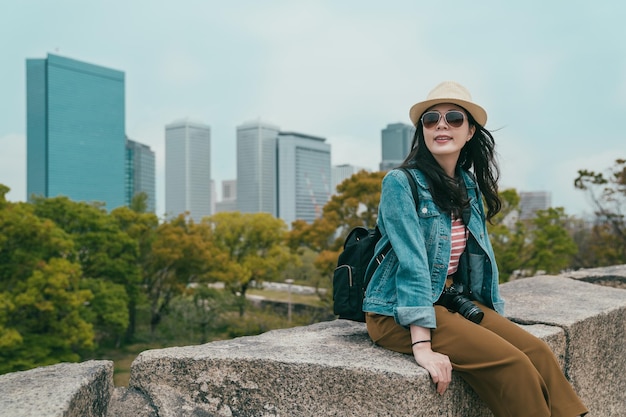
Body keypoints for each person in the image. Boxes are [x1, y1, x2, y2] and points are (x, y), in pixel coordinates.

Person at [362, 81, 588, 417]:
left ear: (469, 132)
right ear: (422, 130)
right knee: (514, 365)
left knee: (537, 352)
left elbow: (482, 260)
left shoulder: (466, 184)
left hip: (450, 301)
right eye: (430, 119)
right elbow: (413, 266)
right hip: (398, 311)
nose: (441, 124)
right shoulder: (400, 182)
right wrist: (422, 346)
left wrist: (493, 318)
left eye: (454, 118)